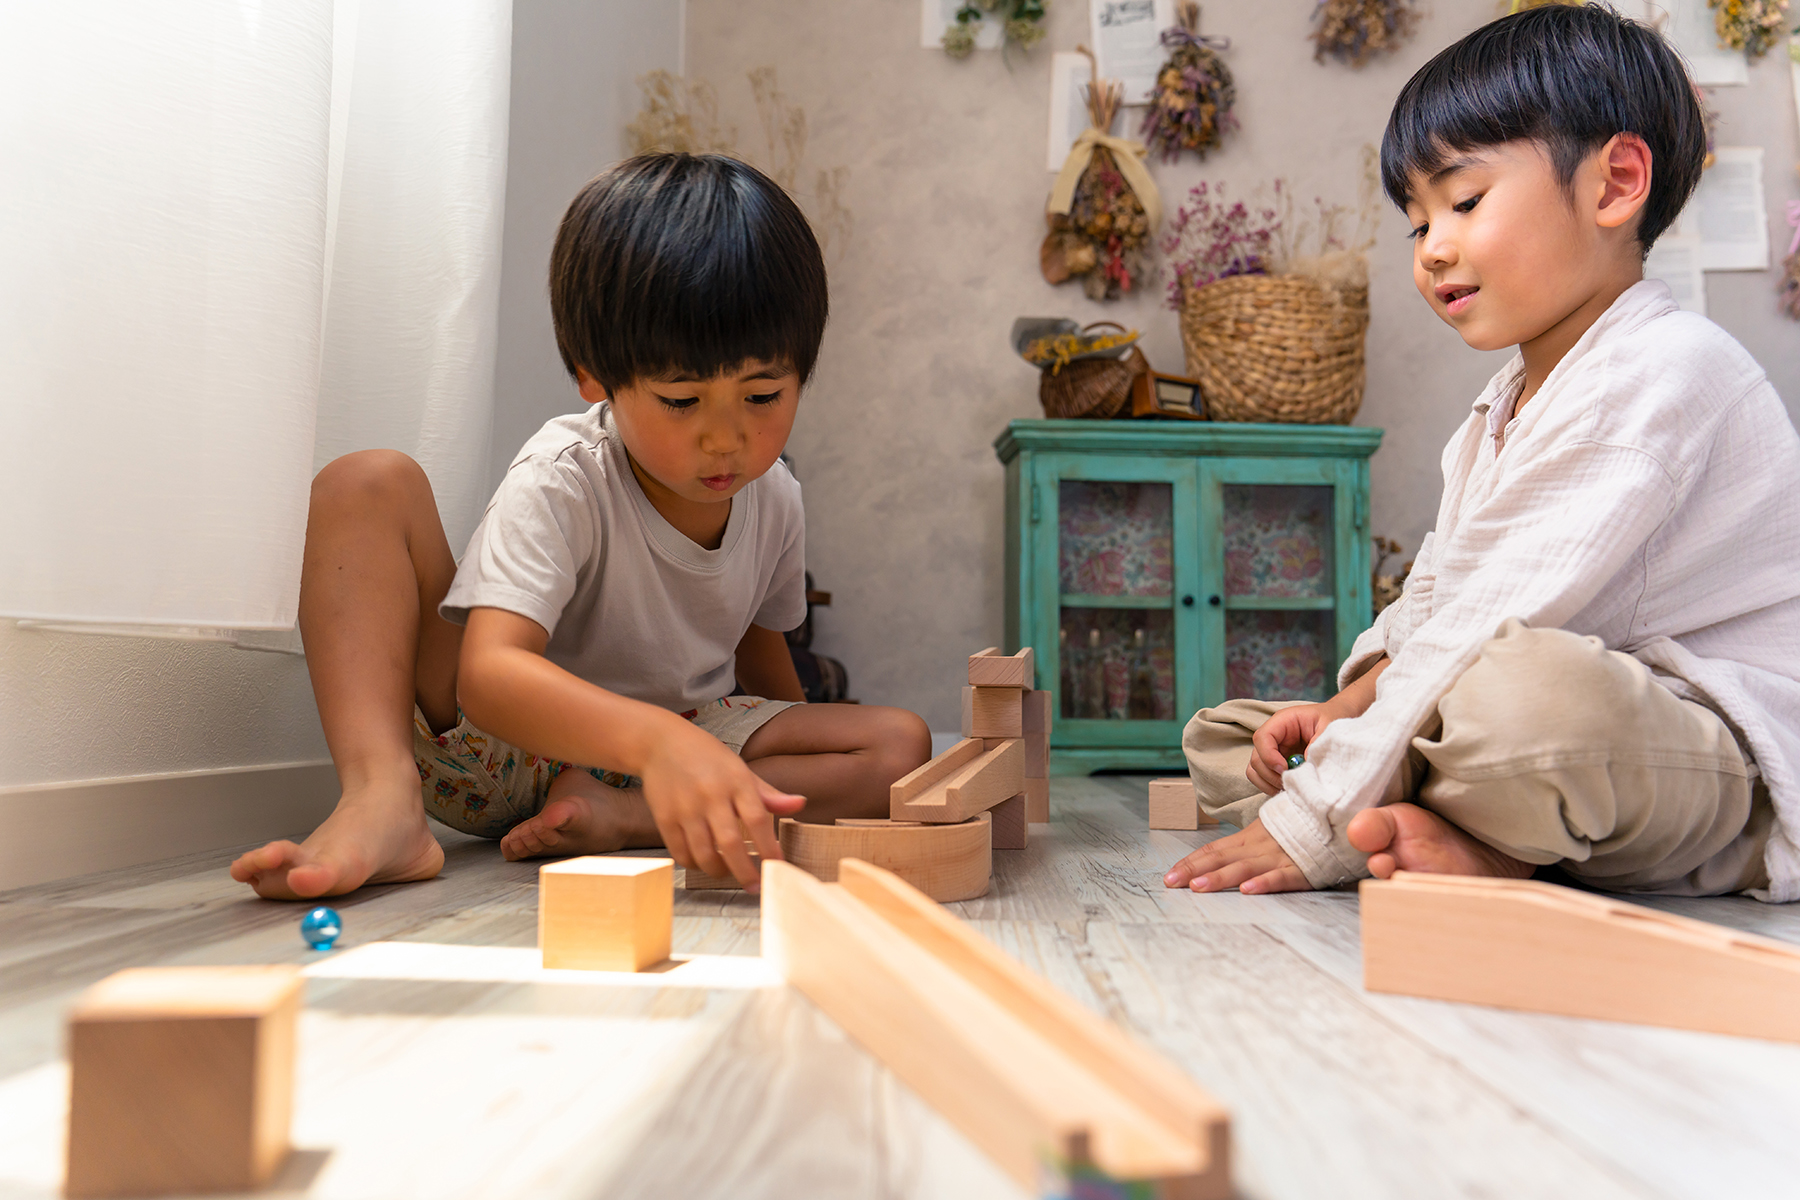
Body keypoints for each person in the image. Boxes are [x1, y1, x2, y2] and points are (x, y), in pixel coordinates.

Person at [1164, 4, 1800, 902]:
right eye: (1418, 224)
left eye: (1464, 202)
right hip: (1538, 721)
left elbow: (1485, 618)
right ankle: (1479, 831)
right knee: (1234, 734)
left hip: (1707, 748)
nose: (1434, 251)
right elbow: (1442, 592)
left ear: (1615, 183)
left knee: (1524, 703)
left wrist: (1310, 825)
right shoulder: (1502, 405)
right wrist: (1347, 708)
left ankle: (1525, 834)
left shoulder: (1665, 368)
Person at [233, 153, 931, 900]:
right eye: (681, 402)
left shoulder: (777, 497)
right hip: (502, 749)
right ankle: (380, 797)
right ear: (595, 377)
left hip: (677, 747)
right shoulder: (566, 475)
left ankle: (624, 819)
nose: (726, 439)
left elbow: (766, 666)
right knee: (365, 482)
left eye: (762, 395)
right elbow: (492, 677)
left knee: (900, 745)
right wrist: (655, 741)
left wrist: (756, 761)